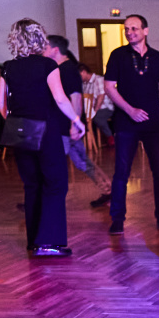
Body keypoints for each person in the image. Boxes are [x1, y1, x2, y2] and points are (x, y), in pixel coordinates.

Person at [0, 19, 86, 257]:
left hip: (20, 131)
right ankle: (48, 243)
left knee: (32, 184)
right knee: (55, 183)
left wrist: (14, 120)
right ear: (39, 38)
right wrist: (76, 120)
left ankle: (34, 241)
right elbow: (60, 98)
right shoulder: (47, 64)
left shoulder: (8, 67)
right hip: (46, 130)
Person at [104, 13, 159, 235]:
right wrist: (130, 110)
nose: (129, 32)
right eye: (126, 29)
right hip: (125, 123)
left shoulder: (158, 58)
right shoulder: (117, 55)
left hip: (153, 123)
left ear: (145, 31)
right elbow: (109, 87)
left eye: (134, 28)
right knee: (122, 172)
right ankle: (117, 219)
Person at [44, 35, 112, 207]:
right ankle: (108, 190)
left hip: (65, 126)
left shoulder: (67, 70)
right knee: (81, 162)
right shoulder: (62, 69)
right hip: (64, 125)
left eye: (45, 47)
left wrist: (74, 124)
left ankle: (41, 201)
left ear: (55, 50)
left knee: (53, 163)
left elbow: (76, 98)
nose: (42, 50)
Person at [80, 64, 114, 145]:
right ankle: (86, 141)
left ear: (84, 72)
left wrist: (94, 111)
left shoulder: (99, 79)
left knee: (97, 117)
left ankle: (110, 136)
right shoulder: (85, 84)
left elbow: (101, 97)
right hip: (91, 109)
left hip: (105, 107)